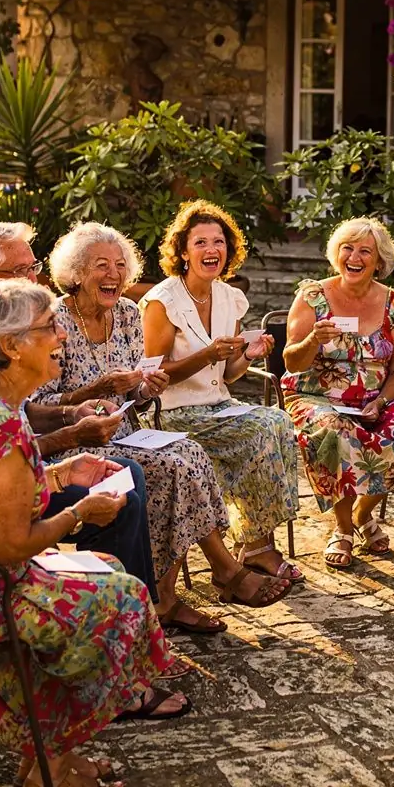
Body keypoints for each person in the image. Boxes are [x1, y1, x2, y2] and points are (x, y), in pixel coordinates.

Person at [0, 280, 189, 787]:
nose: (62, 333)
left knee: (109, 568)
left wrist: (64, 473)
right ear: (11, 347)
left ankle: (47, 760)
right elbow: (10, 546)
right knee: (121, 601)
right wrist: (78, 512)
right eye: (49, 326)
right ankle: (49, 768)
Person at [34, 221, 291, 616]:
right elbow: (38, 407)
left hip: (126, 431)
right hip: (76, 443)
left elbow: (134, 393)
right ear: (76, 273)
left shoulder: (126, 313)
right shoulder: (54, 321)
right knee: (174, 467)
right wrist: (90, 393)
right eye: (101, 265)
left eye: (120, 266)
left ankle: (183, 587)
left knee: (190, 453)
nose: (114, 275)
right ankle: (212, 577)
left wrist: (144, 388)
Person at [0, 219, 158, 598]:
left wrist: (64, 467)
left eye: (33, 268)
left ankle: (148, 614)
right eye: (22, 272)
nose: (37, 280)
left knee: (123, 481)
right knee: (120, 587)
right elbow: (0, 529)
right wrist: (77, 505)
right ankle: (141, 620)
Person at [140, 199, 302, 584]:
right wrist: (206, 354)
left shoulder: (229, 297)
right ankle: (256, 547)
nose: (211, 250)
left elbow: (227, 375)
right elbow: (152, 374)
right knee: (260, 430)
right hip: (172, 413)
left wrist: (249, 353)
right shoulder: (164, 301)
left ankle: (255, 544)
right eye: (200, 242)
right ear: (182, 251)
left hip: (217, 407)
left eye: (219, 242)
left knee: (277, 421)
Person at [282, 217, 394, 570]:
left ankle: (363, 514)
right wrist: (313, 340)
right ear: (337, 254)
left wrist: (381, 400)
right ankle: (343, 528)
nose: (354, 256)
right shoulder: (313, 297)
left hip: (372, 400)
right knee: (334, 433)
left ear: (379, 261)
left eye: (365, 251)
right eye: (348, 248)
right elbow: (291, 360)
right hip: (315, 397)